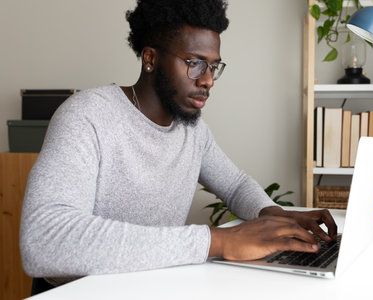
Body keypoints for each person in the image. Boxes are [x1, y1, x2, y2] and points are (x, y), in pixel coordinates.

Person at [20, 0, 337, 289]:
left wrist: (273, 214)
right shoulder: (87, 116)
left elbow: (236, 184)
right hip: (79, 291)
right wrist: (218, 241)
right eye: (195, 63)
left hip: (153, 284)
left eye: (213, 66)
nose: (208, 80)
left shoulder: (192, 130)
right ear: (150, 58)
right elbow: (45, 241)